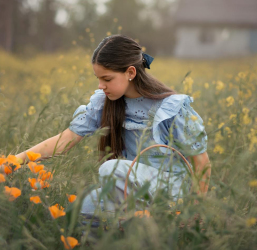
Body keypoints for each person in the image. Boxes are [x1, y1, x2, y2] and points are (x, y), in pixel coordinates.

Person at [15, 35, 211, 216]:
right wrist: (14, 161)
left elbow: (201, 162)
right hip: (131, 186)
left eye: (107, 79)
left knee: (110, 169)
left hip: (171, 188)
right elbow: (65, 140)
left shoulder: (170, 107)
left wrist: (196, 211)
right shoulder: (106, 102)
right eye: (98, 79)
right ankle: (129, 227)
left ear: (130, 72)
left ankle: (138, 220)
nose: (101, 85)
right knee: (84, 208)